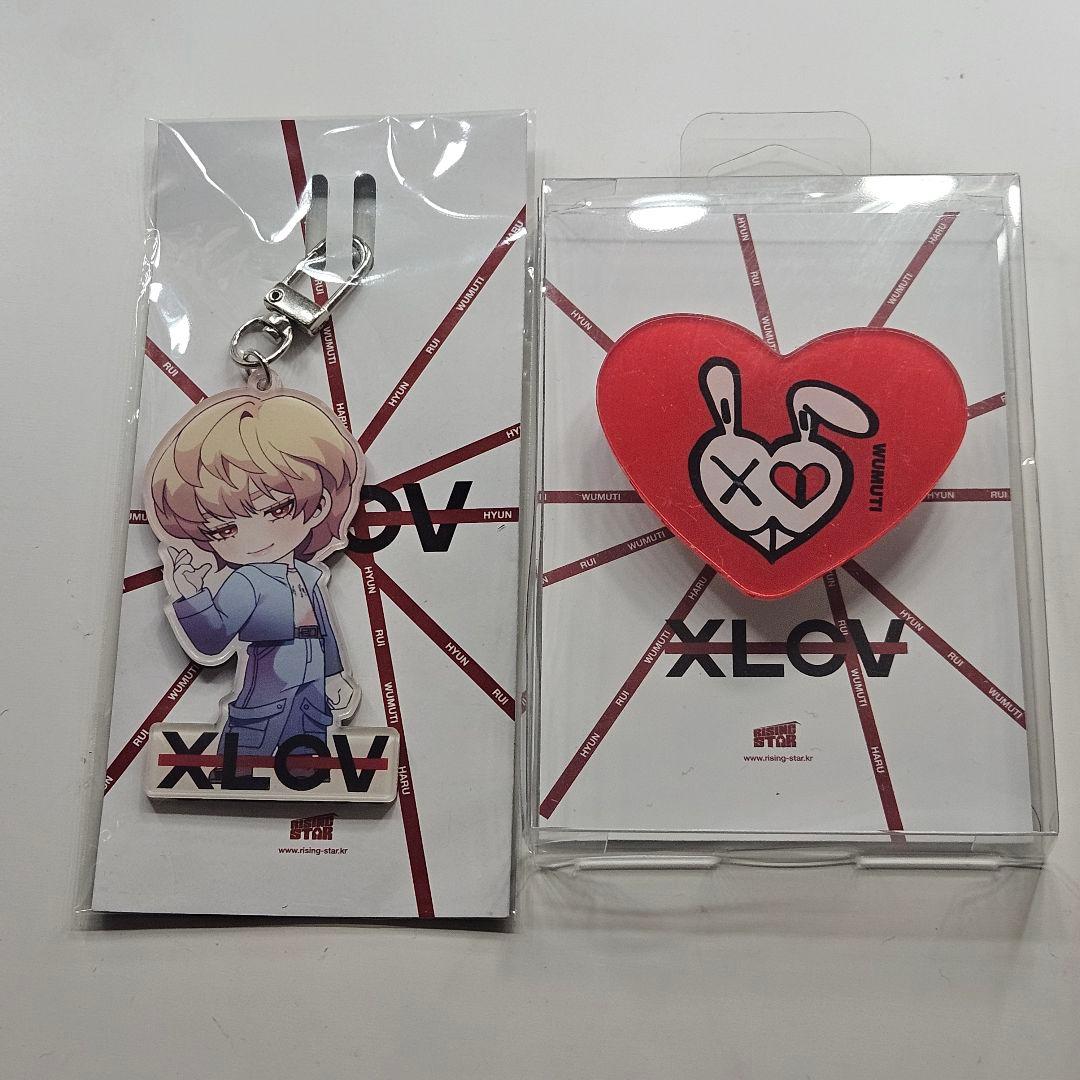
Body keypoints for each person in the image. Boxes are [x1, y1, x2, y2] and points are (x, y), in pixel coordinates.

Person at [146, 388, 363, 762]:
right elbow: (213, 640)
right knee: (249, 741)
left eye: (277, 510)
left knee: (309, 745)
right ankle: (232, 774)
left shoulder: (310, 577)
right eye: (223, 529)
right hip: (266, 685)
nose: (254, 538)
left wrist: (334, 675)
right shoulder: (245, 582)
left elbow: (326, 632)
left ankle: (305, 775)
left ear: (318, 507)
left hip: (312, 688)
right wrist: (191, 597)